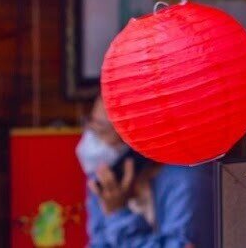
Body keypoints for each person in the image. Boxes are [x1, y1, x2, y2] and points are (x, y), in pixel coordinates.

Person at [81, 95, 214, 248]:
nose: (92, 140)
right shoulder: (104, 180)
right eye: (91, 125)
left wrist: (118, 215)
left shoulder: (185, 181)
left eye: (102, 129)